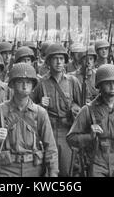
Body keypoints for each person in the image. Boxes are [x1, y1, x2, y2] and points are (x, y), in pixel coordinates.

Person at [0, 63, 59, 177]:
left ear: (33, 86)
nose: (25, 86)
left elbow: (50, 147)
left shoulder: (40, 113)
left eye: (29, 82)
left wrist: (53, 173)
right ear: (12, 84)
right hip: (6, 168)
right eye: (20, 82)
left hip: (34, 168)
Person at [31, 43, 83, 176]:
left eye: (61, 58)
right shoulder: (41, 83)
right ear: (48, 61)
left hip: (67, 131)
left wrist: (74, 108)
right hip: (47, 130)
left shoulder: (72, 82)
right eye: (55, 58)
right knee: (45, 170)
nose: (59, 62)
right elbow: (29, 107)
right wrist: (40, 105)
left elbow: (81, 106)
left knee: (66, 170)